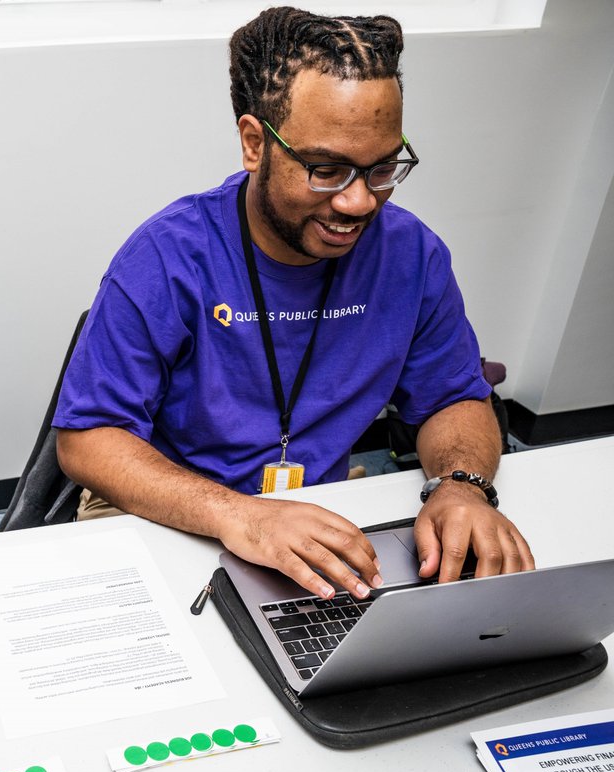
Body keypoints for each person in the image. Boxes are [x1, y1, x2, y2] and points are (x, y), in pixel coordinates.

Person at [53, 7, 534, 603]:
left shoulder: (411, 255)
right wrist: (240, 515)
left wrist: (460, 486)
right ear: (255, 143)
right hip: (167, 503)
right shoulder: (167, 256)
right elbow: (88, 438)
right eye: (326, 170)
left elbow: (454, 395)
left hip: (310, 510)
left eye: (382, 167)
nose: (359, 201)